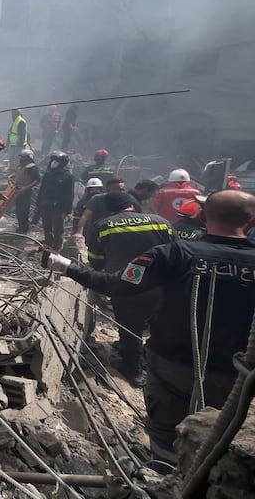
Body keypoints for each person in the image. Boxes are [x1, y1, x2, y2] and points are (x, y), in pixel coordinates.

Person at [47, 190, 255, 464]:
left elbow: (115, 283)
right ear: (251, 223)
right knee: (224, 444)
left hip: (173, 369)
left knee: (166, 443)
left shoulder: (176, 254)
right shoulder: (167, 234)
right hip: (238, 378)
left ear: (203, 217)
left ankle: (164, 475)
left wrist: (62, 265)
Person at [88, 192, 173, 386]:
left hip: (126, 287)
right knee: (161, 326)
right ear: (132, 206)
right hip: (160, 284)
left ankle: (133, 370)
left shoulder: (102, 226)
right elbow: (177, 251)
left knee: (130, 328)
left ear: (110, 208)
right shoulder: (161, 222)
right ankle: (158, 365)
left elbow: (96, 261)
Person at [35, 151, 74, 250]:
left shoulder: (68, 176)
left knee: (58, 230)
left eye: (55, 161)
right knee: (46, 227)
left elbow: (69, 195)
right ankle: (48, 243)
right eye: (53, 160)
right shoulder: (48, 174)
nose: (53, 162)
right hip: (46, 205)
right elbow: (42, 190)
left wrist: (67, 211)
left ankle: (57, 247)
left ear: (62, 163)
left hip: (58, 207)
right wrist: (38, 204)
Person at [12, 148, 40, 234]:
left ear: (28, 157)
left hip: (25, 192)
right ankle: (21, 227)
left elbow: (37, 180)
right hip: (17, 191)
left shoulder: (32, 168)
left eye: (22, 157)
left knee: (23, 211)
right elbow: (17, 173)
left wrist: (25, 188)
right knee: (18, 210)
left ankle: (24, 229)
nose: (21, 159)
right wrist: (11, 176)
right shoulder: (22, 166)